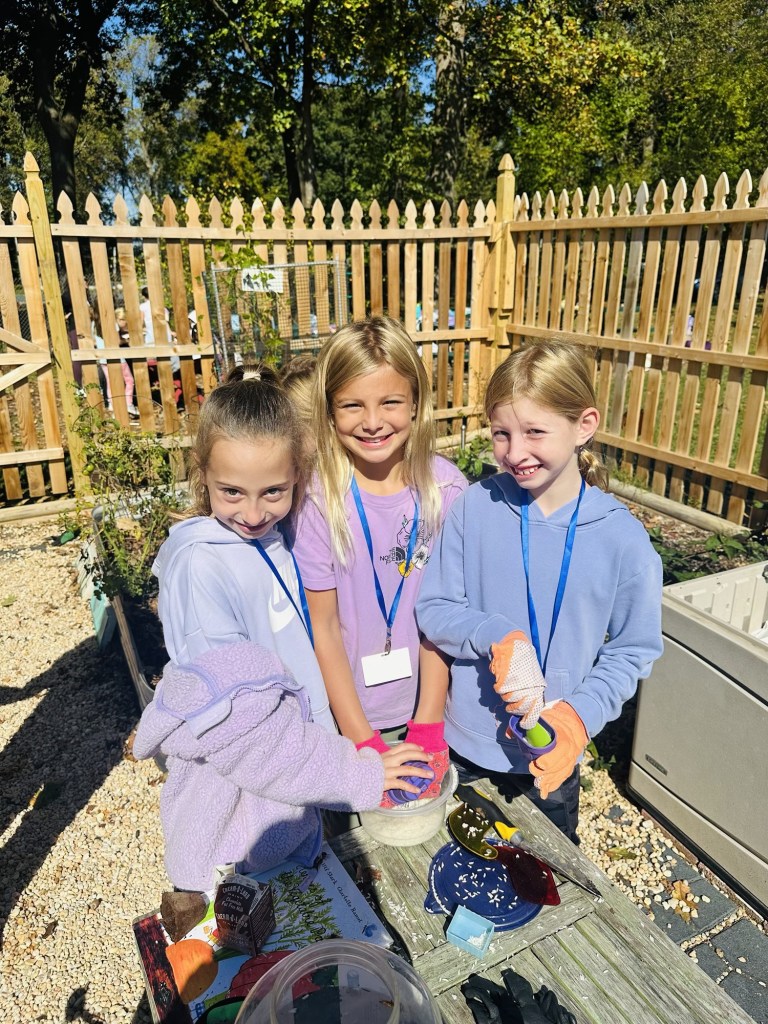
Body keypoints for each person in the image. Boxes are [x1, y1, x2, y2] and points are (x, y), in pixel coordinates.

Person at [415, 340, 663, 842]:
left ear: (584, 425)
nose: (514, 452)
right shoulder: (474, 508)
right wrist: (494, 633)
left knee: (543, 871)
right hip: (469, 745)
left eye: (534, 432)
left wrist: (578, 717)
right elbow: (435, 607)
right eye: (501, 433)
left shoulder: (623, 540)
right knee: (466, 860)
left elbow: (633, 649)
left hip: (551, 753)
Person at [291, 316, 467, 802]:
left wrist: (428, 723)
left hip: (429, 711)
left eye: (390, 402)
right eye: (352, 405)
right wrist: (361, 740)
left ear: (416, 403)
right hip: (349, 722)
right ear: (329, 411)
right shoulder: (317, 503)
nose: (372, 422)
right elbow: (324, 627)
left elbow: (444, 616)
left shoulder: (447, 491)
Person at [132, 639, 432, 891]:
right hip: (236, 877)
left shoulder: (193, 667)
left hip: (207, 857)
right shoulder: (220, 651)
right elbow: (267, 747)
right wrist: (363, 773)